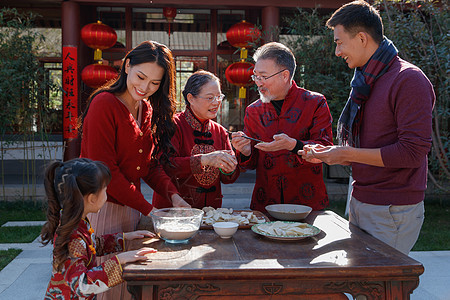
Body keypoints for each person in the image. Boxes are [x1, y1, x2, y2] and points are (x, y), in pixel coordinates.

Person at [299, 1, 435, 254]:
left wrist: (345, 154)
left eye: (339, 42)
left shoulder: (409, 79)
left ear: (361, 38)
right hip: (363, 200)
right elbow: (370, 145)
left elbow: (412, 152)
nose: (337, 51)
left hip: (391, 209)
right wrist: (331, 154)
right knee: (361, 290)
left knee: (380, 291)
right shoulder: (366, 79)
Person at [80, 40, 190, 299]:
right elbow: (106, 172)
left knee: (127, 283)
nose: (145, 87)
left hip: (128, 205)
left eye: (155, 83)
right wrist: (150, 210)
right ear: (127, 65)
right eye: (141, 77)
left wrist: (173, 196)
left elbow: (148, 165)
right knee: (105, 283)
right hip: (99, 205)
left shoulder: (146, 108)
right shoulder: (104, 104)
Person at [231, 42, 333, 214]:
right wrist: (246, 151)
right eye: (255, 76)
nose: (258, 83)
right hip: (265, 202)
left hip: (306, 202)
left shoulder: (315, 103)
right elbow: (252, 163)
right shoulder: (253, 110)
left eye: (263, 77)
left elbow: (326, 150)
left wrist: (293, 145)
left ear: (285, 75)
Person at [40, 158, 157, 299]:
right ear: (92, 198)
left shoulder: (75, 221)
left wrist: (124, 238)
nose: (107, 195)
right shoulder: (74, 236)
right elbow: (82, 286)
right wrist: (118, 261)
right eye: (105, 190)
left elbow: (90, 245)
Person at [152, 70, 239, 209]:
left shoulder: (220, 131)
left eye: (219, 97)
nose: (216, 103)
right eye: (210, 98)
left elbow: (229, 178)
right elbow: (164, 167)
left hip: (210, 212)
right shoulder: (172, 125)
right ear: (191, 98)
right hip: (174, 210)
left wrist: (230, 168)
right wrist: (204, 160)